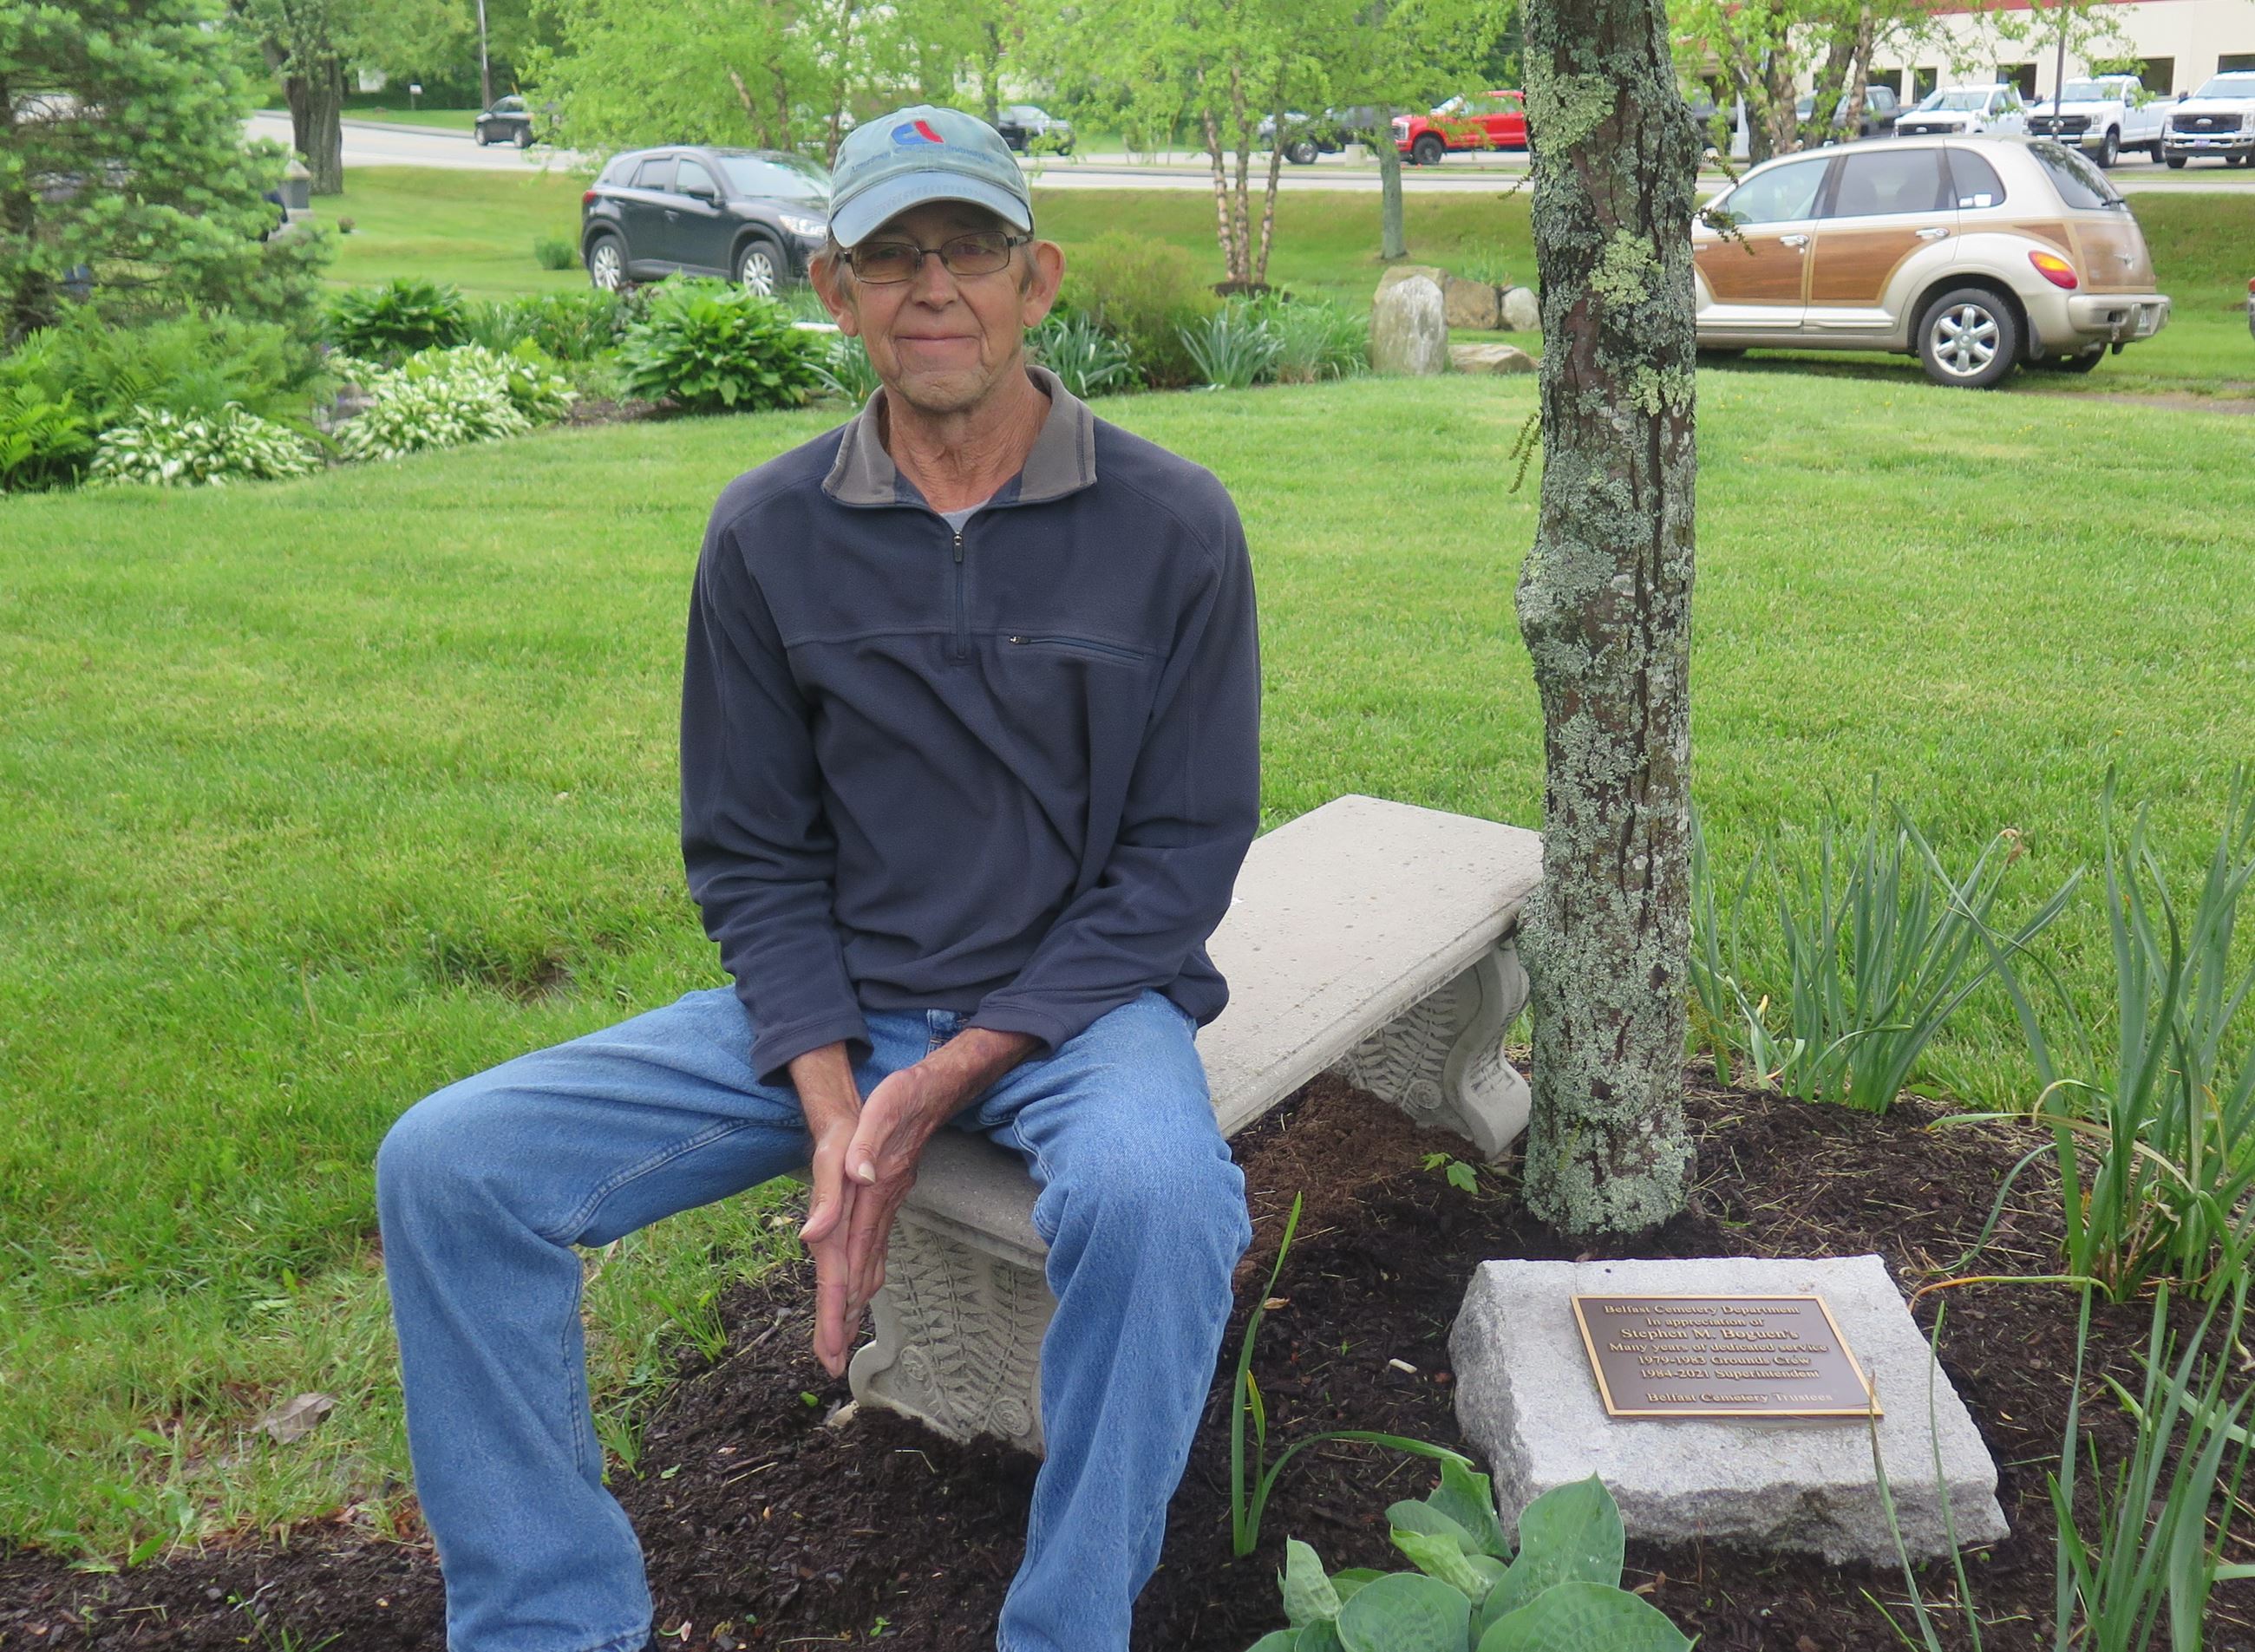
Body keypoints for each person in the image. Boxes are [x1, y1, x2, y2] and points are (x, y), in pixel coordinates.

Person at [374, 103, 1263, 1652]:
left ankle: (1066, 1627)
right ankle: (547, 1620)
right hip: (836, 1000)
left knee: (1162, 1197)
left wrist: (958, 1073)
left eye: (969, 250)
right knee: (450, 1167)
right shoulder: (768, 533)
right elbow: (752, 852)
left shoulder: (1173, 525)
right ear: (833, 290)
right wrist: (843, 1102)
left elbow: (1180, 858)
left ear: (1033, 277)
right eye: (889, 256)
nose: (934, 288)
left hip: (1074, 1014)